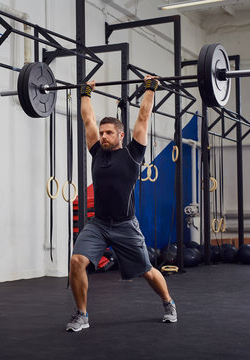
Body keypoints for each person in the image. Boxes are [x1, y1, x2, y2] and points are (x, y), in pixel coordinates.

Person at [65, 75, 177, 332]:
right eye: (101, 133)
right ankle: (81, 314)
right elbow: (87, 119)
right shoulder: (96, 152)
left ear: (120, 135)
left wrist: (150, 88)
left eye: (108, 133)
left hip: (126, 225)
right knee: (76, 261)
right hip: (99, 224)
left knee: (147, 271)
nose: (103, 136)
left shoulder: (133, 153)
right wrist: (85, 93)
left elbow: (143, 117)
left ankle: (168, 302)